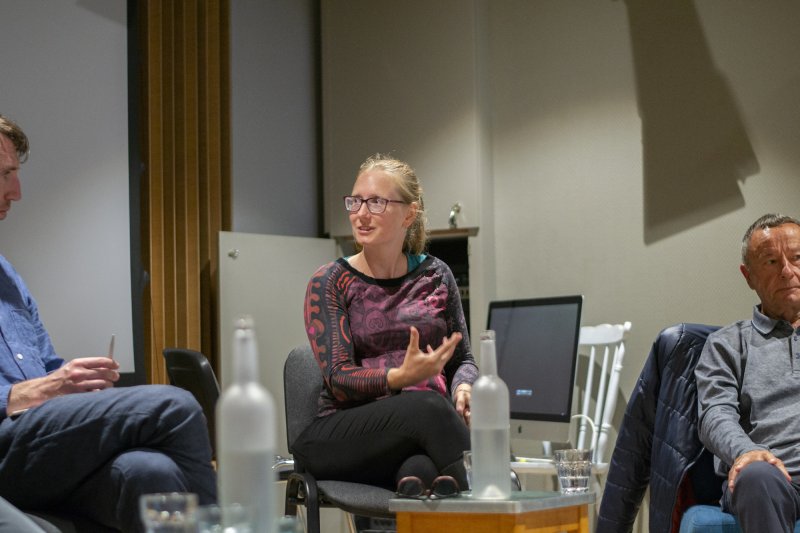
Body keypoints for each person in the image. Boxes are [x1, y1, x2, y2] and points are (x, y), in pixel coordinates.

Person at [0, 114, 217, 532]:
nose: (17, 191)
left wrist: (75, 384)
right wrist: (35, 391)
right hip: (7, 442)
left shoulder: (7, 274)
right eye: (6, 174)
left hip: (35, 440)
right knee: (176, 405)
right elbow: (37, 387)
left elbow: (47, 365)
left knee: (149, 472)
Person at [294, 153, 477, 494]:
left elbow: (463, 360)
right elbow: (338, 379)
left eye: (376, 202)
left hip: (414, 437)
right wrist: (399, 378)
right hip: (339, 437)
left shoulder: (436, 275)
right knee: (427, 406)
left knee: (419, 471)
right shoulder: (330, 281)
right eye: (356, 201)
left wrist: (463, 388)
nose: (361, 213)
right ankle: (502, 498)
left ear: (410, 213)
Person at [696, 213, 800, 533]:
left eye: (797, 257)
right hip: (773, 479)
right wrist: (748, 452)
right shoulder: (728, 344)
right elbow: (714, 414)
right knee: (755, 476)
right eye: (770, 261)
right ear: (748, 276)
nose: (787, 271)